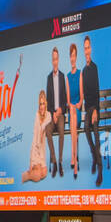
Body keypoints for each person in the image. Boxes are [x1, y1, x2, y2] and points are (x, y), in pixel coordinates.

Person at [82, 36, 103, 186]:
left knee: (95, 131)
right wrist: (88, 112)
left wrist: (95, 110)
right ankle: (94, 156)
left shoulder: (94, 68)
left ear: (91, 49)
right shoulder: (83, 71)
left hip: (95, 108)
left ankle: (100, 170)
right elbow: (85, 95)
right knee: (85, 127)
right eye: (85, 48)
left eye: (88, 47)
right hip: (88, 109)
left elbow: (96, 90)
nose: (87, 50)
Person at [45, 46, 68, 177]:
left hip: (60, 115)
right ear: (52, 60)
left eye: (56, 59)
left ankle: (60, 161)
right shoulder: (49, 78)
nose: (55, 61)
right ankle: (54, 162)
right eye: (53, 59)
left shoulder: (62, 77)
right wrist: (52, 113)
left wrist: (60, 111)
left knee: (61, 132)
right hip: (52, 115)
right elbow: (48, 101)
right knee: (47, 131)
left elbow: (65, 101)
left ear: (58, 60)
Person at [22, 91, 52, 183]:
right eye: (40, 104)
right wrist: (31, 161)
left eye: (43, 104)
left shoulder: (48, 115)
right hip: (36, 151)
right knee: (38, 175)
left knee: (44, 173)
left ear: (46, 104)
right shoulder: (37, 115)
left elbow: (44, 126)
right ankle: (25, 176)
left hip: (41, 152)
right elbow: (35, 138)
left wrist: (43, 162)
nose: (42, 106)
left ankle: (28, 174)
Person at [66, 43, 82, 179]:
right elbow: (67, 100)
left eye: (74, 56)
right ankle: (74, 160)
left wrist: (77, 105)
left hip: (77, 111)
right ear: (69, 57)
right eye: (71, 56)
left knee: (74, 113)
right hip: (71, 112)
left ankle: (73, 157)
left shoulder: (80, 73)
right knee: (71, 111)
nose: (72, 58)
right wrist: (71, 106)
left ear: (76, 57)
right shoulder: (67, 77)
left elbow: (81, 98)